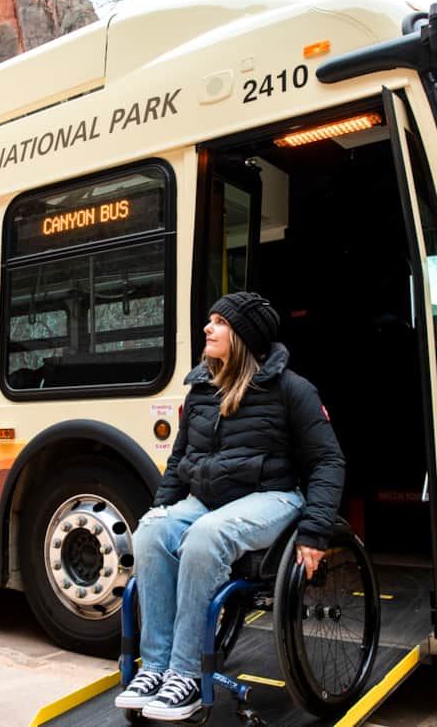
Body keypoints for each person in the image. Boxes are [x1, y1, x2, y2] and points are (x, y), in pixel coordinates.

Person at [115, 292, 345, 721]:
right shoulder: (201, 389)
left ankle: (184, 675)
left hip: (273, 498)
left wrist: (316, 532)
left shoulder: (292, 390)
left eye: (219, 322)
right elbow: (180, 461)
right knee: (150, 531)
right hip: (207, 501)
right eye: (210, 320)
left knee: (207, 535)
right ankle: (157, 667)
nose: (208, 328)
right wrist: (161, 508)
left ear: (242, 336)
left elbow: (328, 461)